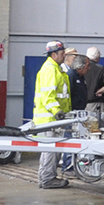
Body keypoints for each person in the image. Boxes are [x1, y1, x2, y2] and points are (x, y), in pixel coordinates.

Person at [34, 41, 72, 189]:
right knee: (50, 150)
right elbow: (48, 96)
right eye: (62, 53)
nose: (64, 56)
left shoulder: (55, 69)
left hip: (52, 118)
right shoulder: (50, 70)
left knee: (52, 150)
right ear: (54, 54)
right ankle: (47, 179)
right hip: (49, 118)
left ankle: (48, 177)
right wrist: (57, 112)